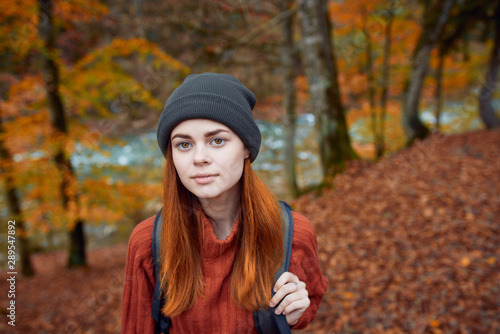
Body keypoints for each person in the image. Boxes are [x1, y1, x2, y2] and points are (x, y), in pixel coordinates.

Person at [121, 73, 328, 333]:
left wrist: (296, 312)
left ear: (245, 148)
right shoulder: (148, 244)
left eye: (217, 140)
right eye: (184, 144)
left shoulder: (293, 233)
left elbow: (312, 298)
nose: (199, 157)